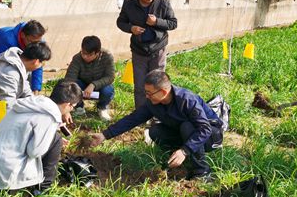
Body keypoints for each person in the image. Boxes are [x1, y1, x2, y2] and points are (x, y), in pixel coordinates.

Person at [89, 70, 223, 180]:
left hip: (210, 135)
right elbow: (132, 119)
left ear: (164, 92)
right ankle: (176, 158)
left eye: (149, 93)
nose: (147, 96)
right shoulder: (153, 103)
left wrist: (185, 150)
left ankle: (203, 172)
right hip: (186, 133)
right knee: (155, 131)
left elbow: (204, 129)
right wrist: (104, 135)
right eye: (145, 92)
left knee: (187, 127)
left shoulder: (186, 100)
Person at [0, 80, 82, 193]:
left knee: (54, 138)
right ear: (68, 104)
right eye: (73, 107)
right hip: (5, 179)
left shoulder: (29, 104)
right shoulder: (48, 117)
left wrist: (48, 136)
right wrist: (51, 139)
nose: (71, 110)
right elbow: (35, 152)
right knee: (56, 140)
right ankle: (42, 189)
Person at [117, 0, 177, 108]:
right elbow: (120, 22)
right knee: (140, 85)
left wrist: (157, 21)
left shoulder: (163, 3)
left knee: (158, 84)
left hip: (158, 49)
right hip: (139, 50)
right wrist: (131, 28)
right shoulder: (129, 3)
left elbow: (173, 23)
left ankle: (158, 113)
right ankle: (141, 113)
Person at [0, 20, 46, 94]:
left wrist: (35, 89)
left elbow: (37, 64)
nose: (34, 45)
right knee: (3, 78)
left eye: (37, 42)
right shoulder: (7, 41)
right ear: (23, 35)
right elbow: (3, 67)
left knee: (25, 75)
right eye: (31, 42)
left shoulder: (38, 41)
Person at [64, 35, 115, 121]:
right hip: (82, 86)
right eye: (83, 53)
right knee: (72, 85)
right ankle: (79, 107)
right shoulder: (77, 58)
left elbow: (110, 77)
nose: (85, 57)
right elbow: (69, 78)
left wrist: (93, 85)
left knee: (108, 90)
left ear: (97, 52)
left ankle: (102, 108)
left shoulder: (107, 57)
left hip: (99, 87)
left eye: (90, 55)